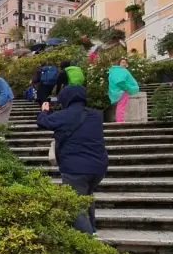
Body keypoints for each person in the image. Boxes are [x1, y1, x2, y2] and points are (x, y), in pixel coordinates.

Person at [37, 85, 108, 235]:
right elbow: (70, 120)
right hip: (98, 166)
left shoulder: (64, 116)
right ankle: (92, 229)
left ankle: (87, 240)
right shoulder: (96, 115)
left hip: (75, 168)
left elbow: (43, 122)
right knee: (87, 196)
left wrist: (44, 111)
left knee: (74, 206)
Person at [108, 58, 139, 123]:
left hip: (119, 91)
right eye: (122, 62)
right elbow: (119, 81)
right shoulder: (121, 71)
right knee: (121, 106)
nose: (124, 64)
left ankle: (119, 120)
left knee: (120, 106)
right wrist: (126, 88)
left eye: (125, 62)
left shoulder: (114, 70)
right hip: (122, 91)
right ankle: (120, 121)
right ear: (119, 64)